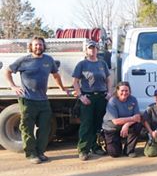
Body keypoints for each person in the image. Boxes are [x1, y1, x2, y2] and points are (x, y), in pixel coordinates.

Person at [5, 36, 68, 164]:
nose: (38, 47)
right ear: (31, 47)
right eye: (36, 45)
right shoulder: (24, 60)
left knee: (45, 128)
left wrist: (62, 88)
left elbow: (56, 75)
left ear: (43, 46)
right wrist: (13, 86)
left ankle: (40, 152)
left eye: (40, 44)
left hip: (43, 100)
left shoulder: (48, 60)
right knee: (28, 128)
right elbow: (7, 71)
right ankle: (31, 154)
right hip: (27, 100)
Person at [72, 40, 113, 161]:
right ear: (86, 50)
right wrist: (81, 96)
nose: (92, 50)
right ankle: (83, 149)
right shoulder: (82, 64)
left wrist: (109, 93)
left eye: (94, 48)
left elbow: (108, 79)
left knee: (98, 123)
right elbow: (75, 82)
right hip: (87, 98)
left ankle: (95, 146)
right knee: (87, 124)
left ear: (97, 50)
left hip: (101, 97)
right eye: (90, 48)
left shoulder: (102, 64)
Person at [102, 82, 142, 158]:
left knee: (138, 125)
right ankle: (108, 143)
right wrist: (131, 118)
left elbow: (138, 117)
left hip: (124, 125)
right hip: (112, 128)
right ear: (117, 91)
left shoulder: (133, 99)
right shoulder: (112, 101)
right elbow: (116, 121)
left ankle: (129, 150)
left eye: (126, 90)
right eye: (122, 90)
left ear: (129, 91)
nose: (124, 93)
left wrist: (127, 125)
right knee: (115, 154)